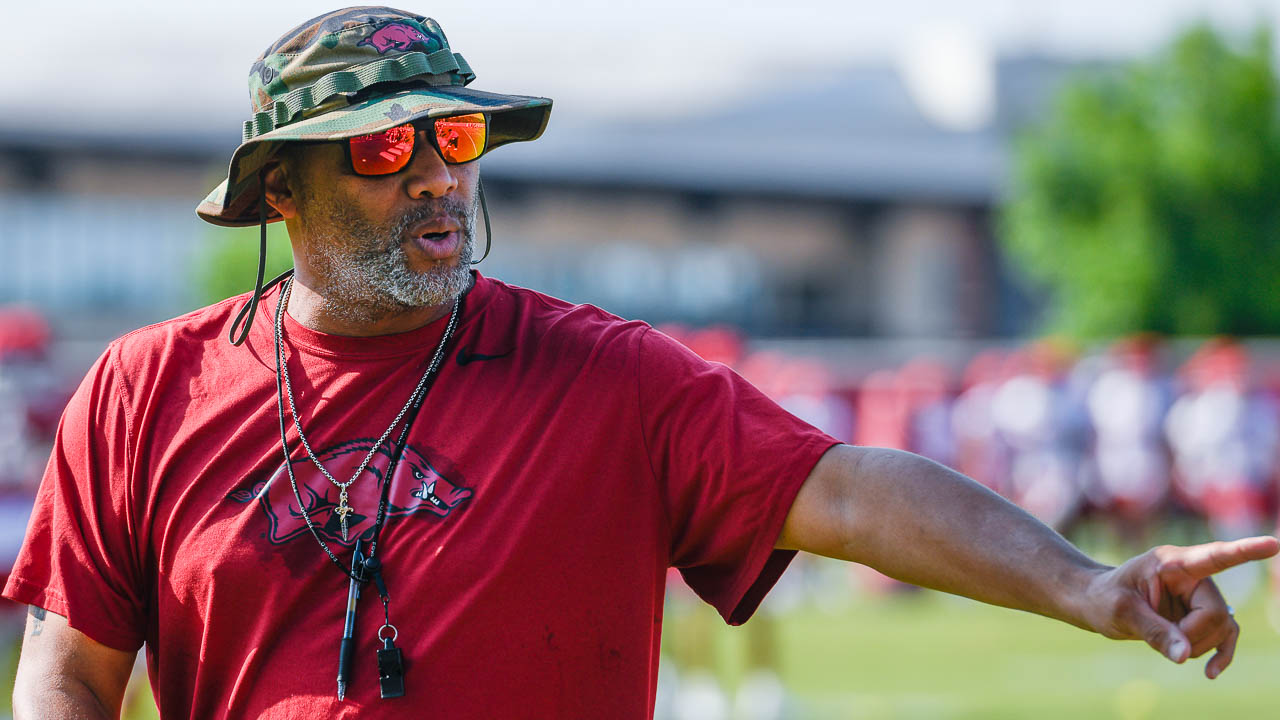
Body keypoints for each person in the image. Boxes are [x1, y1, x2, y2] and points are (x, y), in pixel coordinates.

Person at [6, 7, 1277, 719]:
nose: (440, 175)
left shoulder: (603, 376)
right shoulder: (143, 388)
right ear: (280, 188)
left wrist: (1088, 584)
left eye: (453, 137)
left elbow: (846, 490)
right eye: (384, 152)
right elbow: (71, 670)